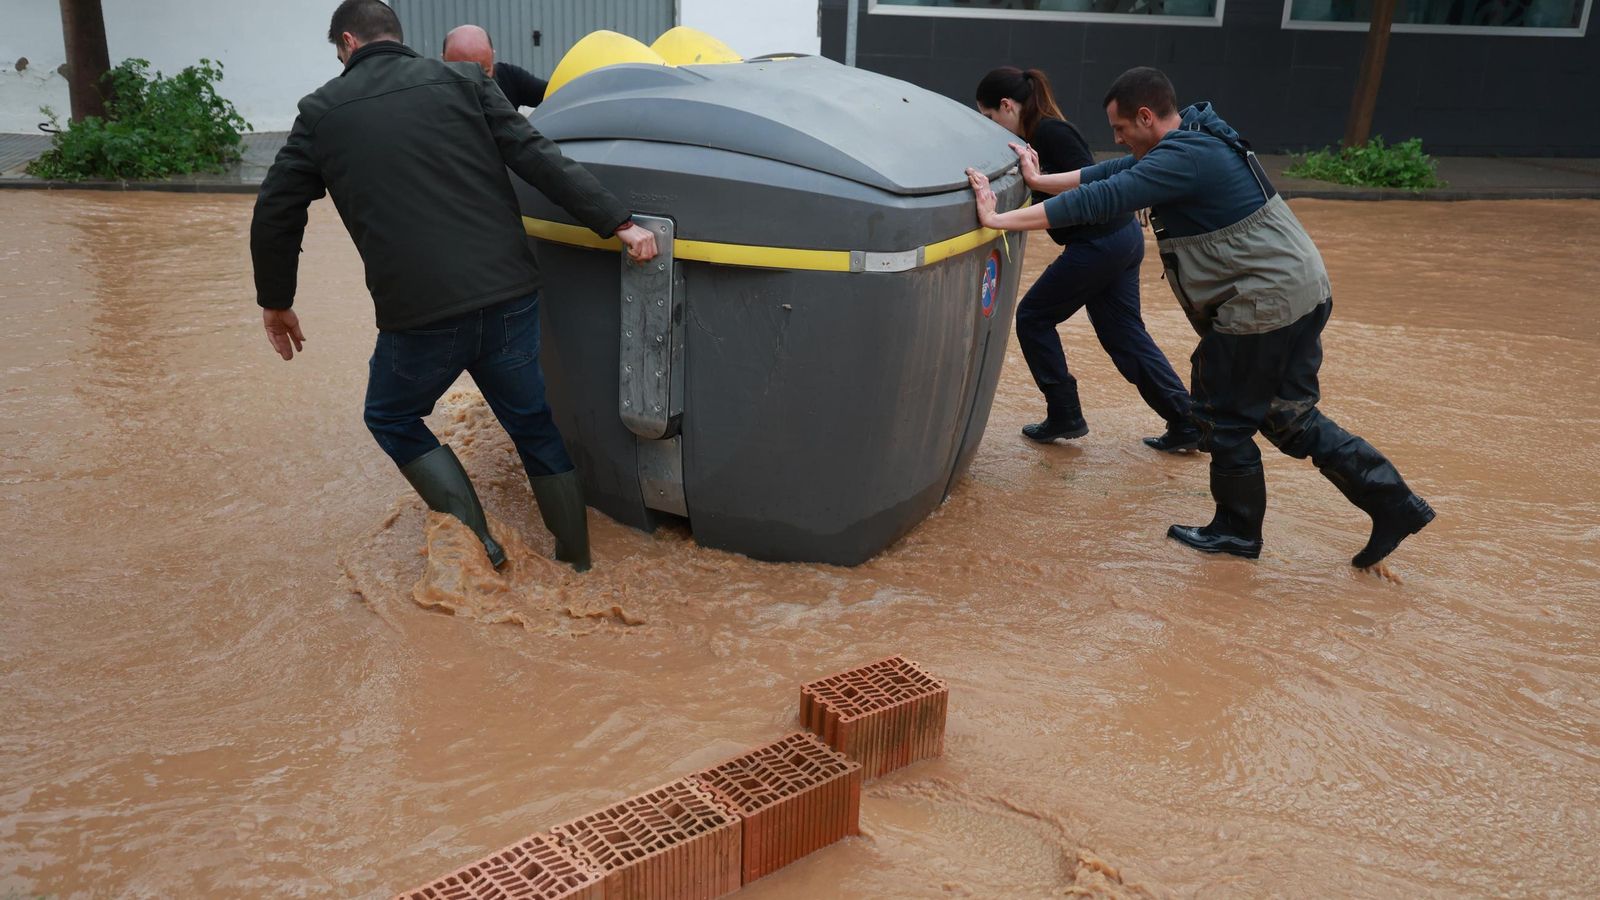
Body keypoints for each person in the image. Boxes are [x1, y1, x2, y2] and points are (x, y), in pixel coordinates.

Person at [965, 67, 1434, 569]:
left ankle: (1236, 533)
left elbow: (1104, 198)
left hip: (1263, 303)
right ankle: (1394, 505)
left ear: (1146, 117)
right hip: (1298, 290)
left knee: (1221, 417)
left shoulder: (1186, 156)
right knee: (1288, 417)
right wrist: (1038, 181)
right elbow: (1115, 173)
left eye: (1122, 128)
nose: (1118, 139)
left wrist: (998, 218)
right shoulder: (1191, 135)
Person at [250, 0, 659, 572]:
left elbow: (276, 209)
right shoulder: (464, 81)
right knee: (532, 423)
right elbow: (536, 155)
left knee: (391, 416)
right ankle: (577, 561)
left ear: (347, 43)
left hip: (420, 315)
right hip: (508, 294)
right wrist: (618, 221)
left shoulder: (321, 111)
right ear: (397, 35)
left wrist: (277, 301)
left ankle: (481, 548)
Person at [974, 66, 1197, 451]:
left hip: (1102, 242)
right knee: (1123, 335)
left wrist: (1004, 214)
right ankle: (1187, 422)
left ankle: (1065, 413)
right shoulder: (1036, 134)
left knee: (1033, 317)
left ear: (1007, 106)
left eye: (990, 117)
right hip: (1116, 240)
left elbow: (1094, 184)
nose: (990, 126)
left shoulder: (1050, 132)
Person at [442, 24, 548, 110]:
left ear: (493, 55)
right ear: (444, 61)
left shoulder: (509, 77)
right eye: (463, 74)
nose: (475, 85)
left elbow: (554, 96)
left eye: (484, 72)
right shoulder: (431, 95)